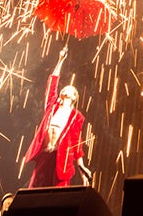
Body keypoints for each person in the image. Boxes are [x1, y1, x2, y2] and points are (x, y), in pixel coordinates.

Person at [22, 45, 92, 187]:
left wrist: (81, 166)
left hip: (60, 161)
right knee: (34, 189)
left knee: (57, 194)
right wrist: (60, 60)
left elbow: (76, 141)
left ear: (74, 97)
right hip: (45, 155)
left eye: (71, 89)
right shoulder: (52, 107)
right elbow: (52, 85)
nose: (66, 89)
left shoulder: (76, 116)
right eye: (65, 88)